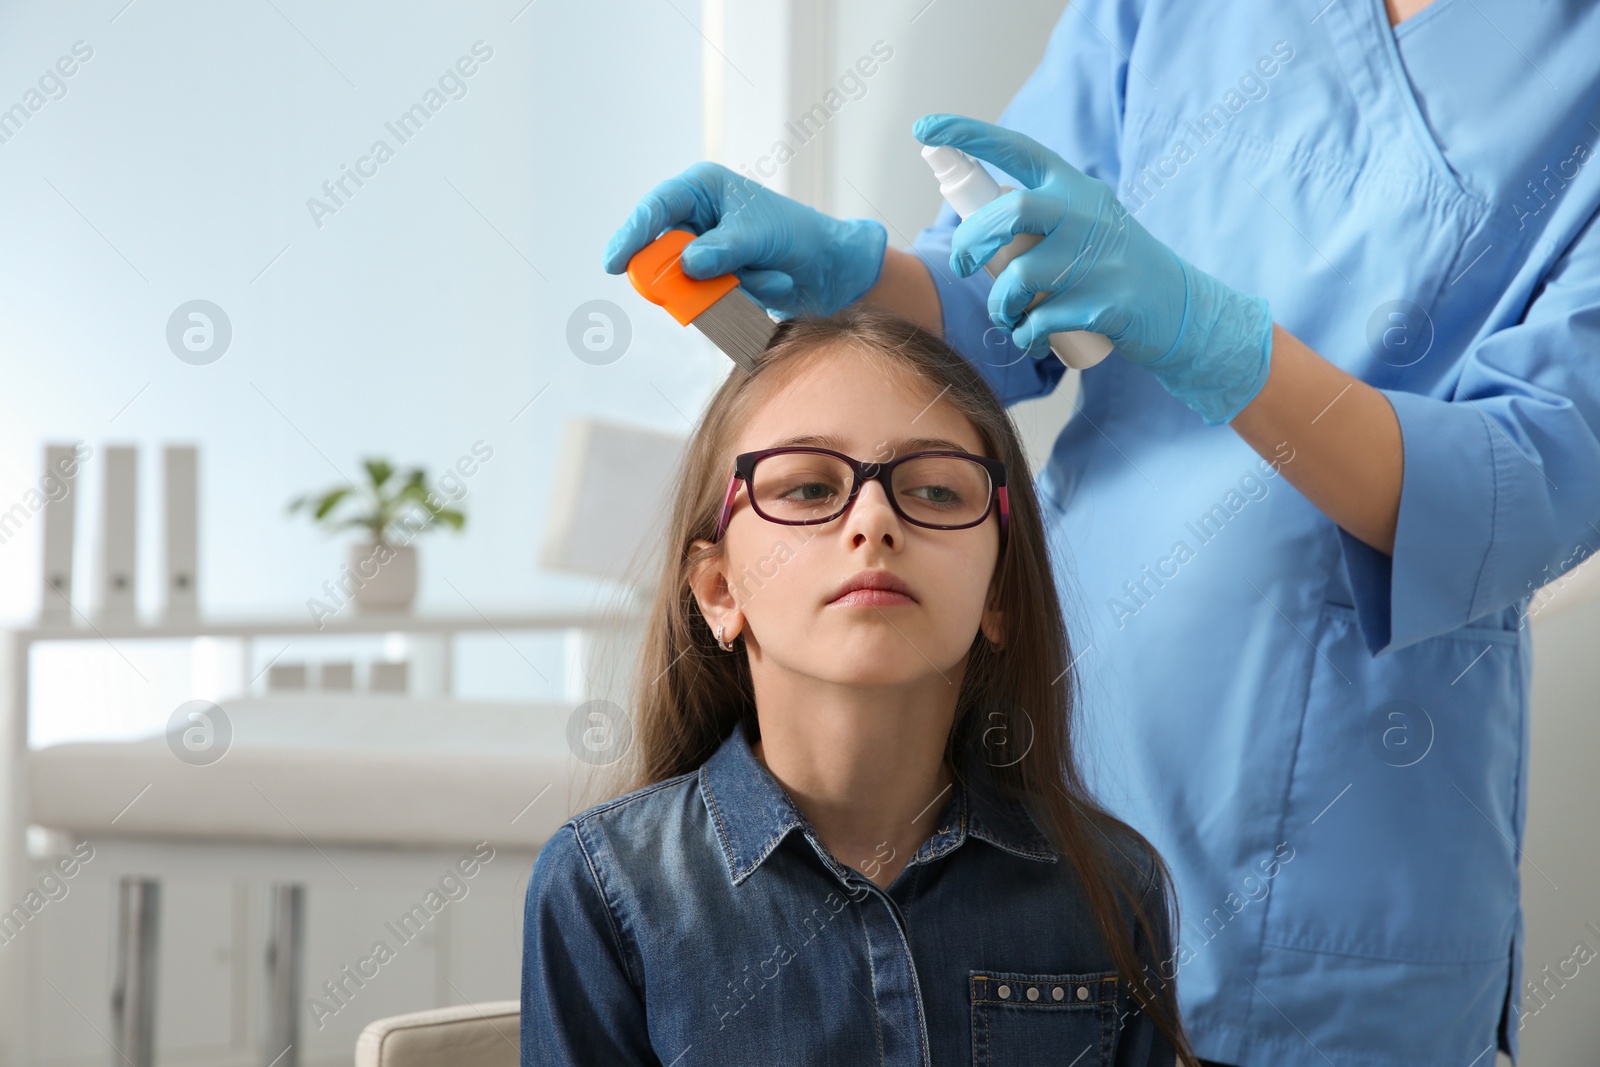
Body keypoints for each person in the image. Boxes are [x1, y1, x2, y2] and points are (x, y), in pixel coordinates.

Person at [598, 1, 1600, 1063]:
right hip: (1066, 763)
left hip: (1332, 852)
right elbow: (1012, 291)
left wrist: (1214, 337)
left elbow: (1524, 482)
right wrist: (864, 278)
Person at [521, 307, 1195, 1065]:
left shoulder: (1113, 888)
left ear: (999, 592)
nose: (872, 521)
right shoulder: (603, 888)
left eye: (937, 491)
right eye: (809, 487)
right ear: (719, 591)